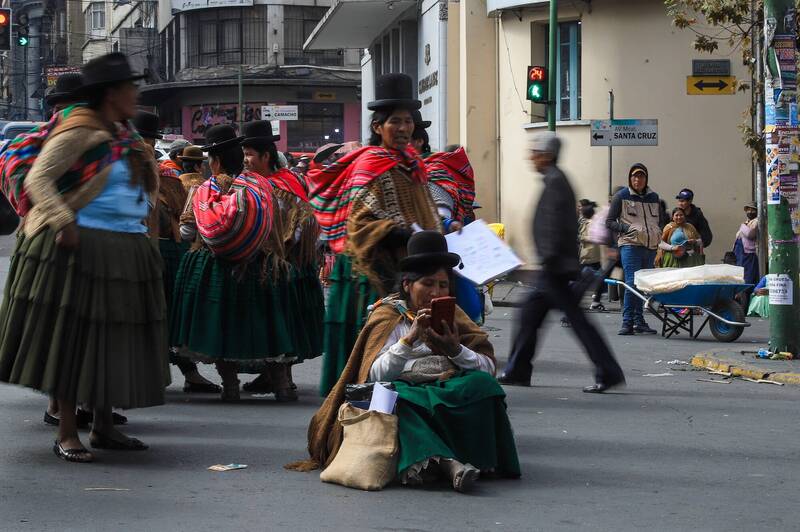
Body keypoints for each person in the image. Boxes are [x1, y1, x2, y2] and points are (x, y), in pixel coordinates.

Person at [0, 52, 169, 462]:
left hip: (125, 249)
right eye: (131, 88)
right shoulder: (80, 129)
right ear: (111, 93)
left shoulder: (124, 134)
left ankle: (105, 427)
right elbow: (40, 177)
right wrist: (62, 220)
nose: (136, 94)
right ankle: (68, 432)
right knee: (74, 340)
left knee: (112, 342)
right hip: (81, 247)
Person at [287, 231, 520, 492]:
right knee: (391, 398)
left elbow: (487, 368)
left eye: (443, 285)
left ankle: (479, 458)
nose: (436, 292)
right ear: (408, 285)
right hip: (405, 392)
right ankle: (448, 464)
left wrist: (456, 350)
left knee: (482, 385)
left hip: (444, 386)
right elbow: (372, 375)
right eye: (428, 284)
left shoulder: (456, 316)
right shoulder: (387, 316)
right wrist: (408, 342)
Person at [308, 73, 441, 396]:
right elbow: (359, 223)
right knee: (373, 343)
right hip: (370, 273)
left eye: (408, 122)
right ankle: (356, 404)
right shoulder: (370, 163)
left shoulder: (412, 165)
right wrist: (398, 232)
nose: (403, 129)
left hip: (409, 266)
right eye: (395, 122)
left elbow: (423, 212)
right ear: (377, 127)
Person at [499, 133, 625, 393]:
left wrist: (547, 258)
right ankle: (518, 369)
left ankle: (608, 371)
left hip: (554, 267)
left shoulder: (555, 182)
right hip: (555, 265)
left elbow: (555, 227)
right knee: (530, 315)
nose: (530, 157)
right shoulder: (555, 180)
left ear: (546, 155)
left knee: (575, 322)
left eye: (534, 152)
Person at [170, 124, 281, 402]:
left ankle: (230, 387)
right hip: (257, 265)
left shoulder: (203, 189)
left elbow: (187, 232)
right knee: (262, 323)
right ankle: (281, 386)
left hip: (216, 267)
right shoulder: (259, 185)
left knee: (221, 327)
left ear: (215, 160)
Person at [238, 120, 324, 400]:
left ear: (266, 156)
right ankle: (274, 377)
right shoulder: (270, 182)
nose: (246, 160)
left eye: (250, 154)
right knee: (282, 323)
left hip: (285, 264)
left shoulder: (281, 186)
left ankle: (282, 381)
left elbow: (300, 224)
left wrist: (283, 251)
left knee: (280, 322)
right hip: (284, 263)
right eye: (244, 154)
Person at [425, 144, 482, 322]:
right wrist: (449, 223)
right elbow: (440, 219)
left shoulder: (428, 173)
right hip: (442, 255)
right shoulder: (440, 178)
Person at [606, 163, 664, 336]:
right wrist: (626, 229)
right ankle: (627, 322)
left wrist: (658, 231)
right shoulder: (621, 196)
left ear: (646, 178)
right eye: (634, 176)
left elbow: (660, 219)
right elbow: (609, 222)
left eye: (641, 176)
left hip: (650, 246)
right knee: (632, 283)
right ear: (630, 178)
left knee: (643, 285)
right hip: (630, 245)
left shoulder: (654, 197)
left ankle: (639, 321)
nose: (637, 179)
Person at [578, 199, 605, 310]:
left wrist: (580, 237)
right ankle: (595, 299)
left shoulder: (590, 223)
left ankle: (595, 299)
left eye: (580, 207)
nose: (579, 209)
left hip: (589, 255)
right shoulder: (585, 222)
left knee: (600, 276)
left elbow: (589, 237)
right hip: (588, 255)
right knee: (600, 277)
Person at [735, 202, 760, 286]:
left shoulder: (757, 221)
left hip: (748, 254)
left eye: (753, 210)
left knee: (748, 278)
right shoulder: (747, 222)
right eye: (748, 210)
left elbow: (750, 234)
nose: (750, 212)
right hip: (740, 253)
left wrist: (742, 226)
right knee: (740, 277)